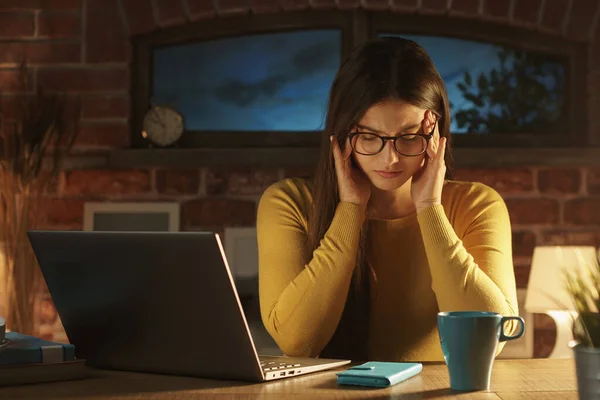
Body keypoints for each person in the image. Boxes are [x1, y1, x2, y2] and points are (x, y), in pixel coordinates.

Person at [256, 37, 519, 362]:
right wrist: (350, 209)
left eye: (409, 138)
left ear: (436, 133)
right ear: (341, 134)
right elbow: (297, 342)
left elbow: (494, 334)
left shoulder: (476, 205)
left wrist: (430, 209)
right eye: (369, 137)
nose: (390, 159)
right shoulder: (289, 202)